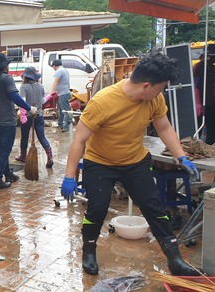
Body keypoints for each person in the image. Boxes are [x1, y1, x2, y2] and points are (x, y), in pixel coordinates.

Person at [60, 53, 201, 276]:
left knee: (153, 207)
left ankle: (175, 258)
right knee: (97, 209)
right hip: (100, 163)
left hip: (135, 161)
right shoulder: (103, 101)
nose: (161, 92)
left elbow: (164, 127)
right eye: (161, 87)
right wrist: (69, 176)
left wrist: (181, 156)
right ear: (147, 85)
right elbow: (79, 139)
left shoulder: (154, 99)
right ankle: (89, 250)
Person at [0, 53, 37, 190]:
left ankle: (8, 174)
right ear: (4, 67)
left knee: (3, 149)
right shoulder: (6, 79)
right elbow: (14, 96)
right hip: (7, 123)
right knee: (4, 152)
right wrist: (29, 108)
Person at [14, 66, 54, 168]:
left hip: (27, 116)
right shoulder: (40, 86)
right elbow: (42, 101)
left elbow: (22, 102)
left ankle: (23, 156)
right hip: (39, 115)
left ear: (25, 77)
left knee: (24, 137)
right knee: (42, 137)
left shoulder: (23, 87)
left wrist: (23, 115)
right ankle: (50, 156)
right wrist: (49, 97)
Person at [51, 59, 72, 132]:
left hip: (62, 93)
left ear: (54, 66)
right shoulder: (65, 70)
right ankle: (61, 124)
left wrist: (52, 92)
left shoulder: (59, 71)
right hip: (64, 92)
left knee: (65, 111)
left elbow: (56, 82)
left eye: (53, 67)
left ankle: (66, 126)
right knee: (61, 110)